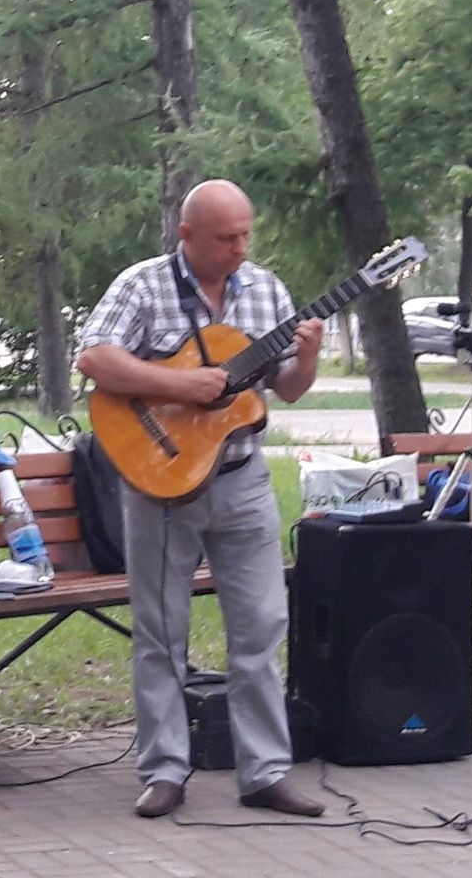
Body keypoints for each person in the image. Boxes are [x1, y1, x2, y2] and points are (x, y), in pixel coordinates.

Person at [76, 179, 327, 819]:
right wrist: (181, 386)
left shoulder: (267, 290)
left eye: (246, 234)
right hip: (159, 483)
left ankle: (266, 771)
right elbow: (97, 359)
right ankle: (164, 771)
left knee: (262, 627)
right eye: (225, 238)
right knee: (161, 635)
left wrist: (309, 357)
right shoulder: (142, 285)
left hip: (242, 477)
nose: (240, 248)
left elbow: (289, 390)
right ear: (186, 235)